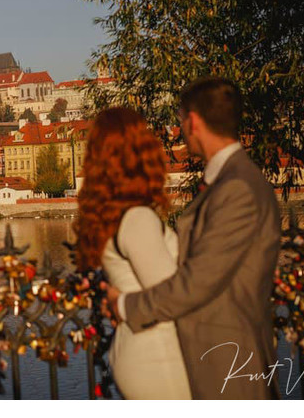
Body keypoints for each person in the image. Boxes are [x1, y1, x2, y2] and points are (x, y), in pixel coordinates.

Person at [100, 77, 282, 399]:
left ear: (193, 121)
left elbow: (198, 282)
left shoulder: (237, 187)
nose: (181, 130)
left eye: (181, 120)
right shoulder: (231, 181)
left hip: (227, 357)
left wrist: (125, 304)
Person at [75, 106, 191, 399]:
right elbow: (173, 296)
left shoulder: (114, 214)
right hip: (159, 356)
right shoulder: (138, 218)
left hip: (139, 349)